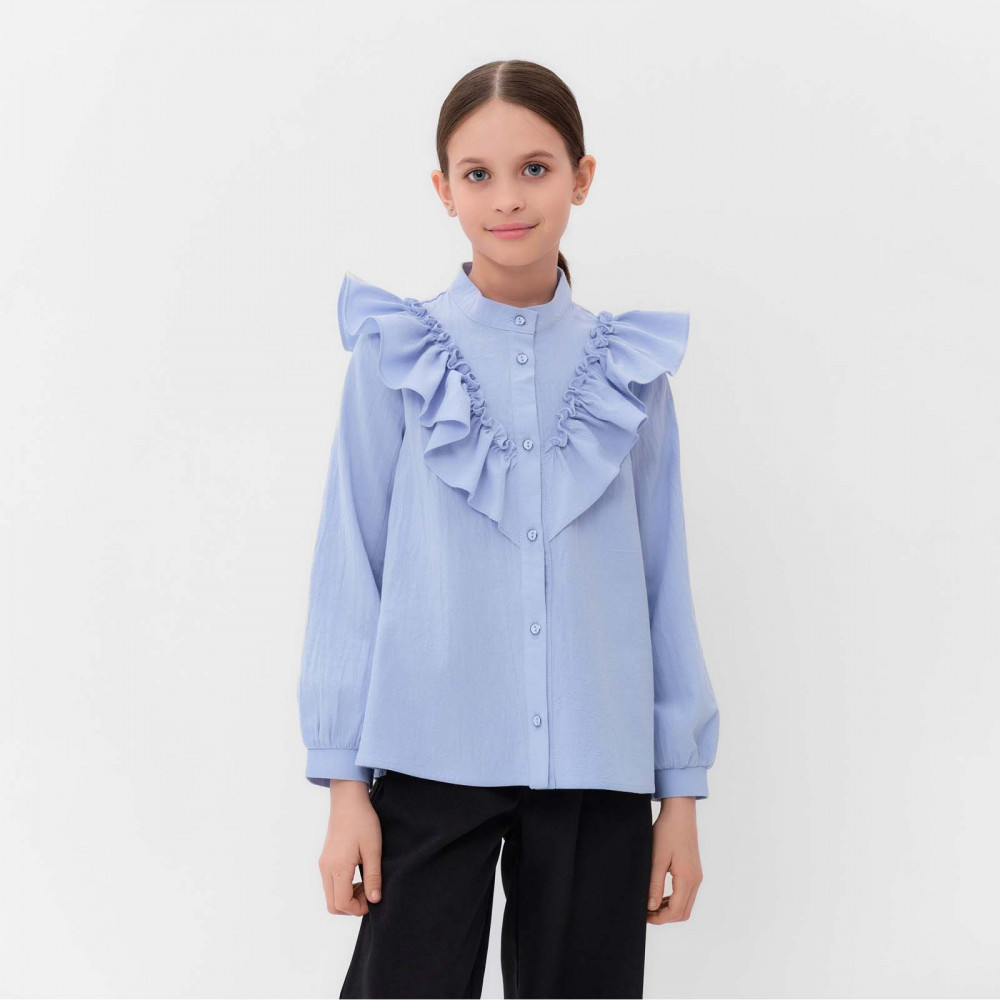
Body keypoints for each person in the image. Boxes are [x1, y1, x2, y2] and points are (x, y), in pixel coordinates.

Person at [297, 58, 720, 1000]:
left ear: (582, 176)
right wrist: (345, 787)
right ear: (443, 189)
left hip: (598, 766)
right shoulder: (394, 354)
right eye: (478, 174)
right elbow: (351, 566)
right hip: (428, 753)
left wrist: (681, 794)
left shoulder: (632, 372)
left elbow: (664, 581)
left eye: (535, 168)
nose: (508, 199)